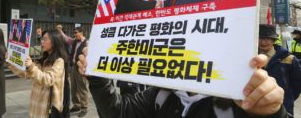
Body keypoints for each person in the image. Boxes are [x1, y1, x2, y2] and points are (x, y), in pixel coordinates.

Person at [76, 48, 288, 118]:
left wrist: (271, 113)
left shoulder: (237, 102)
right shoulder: (162, 93)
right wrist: (98, 78)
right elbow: (118, 112)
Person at [8, 29, 68, 118]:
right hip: (35, 108)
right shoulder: (42, 60)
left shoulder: (59, 61)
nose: (42, 42)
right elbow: (26, 74)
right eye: (42, 39)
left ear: (54, 41)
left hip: (47, 110)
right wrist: (10, 62)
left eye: (45, 39)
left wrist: (31, 66)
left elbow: (47, 80)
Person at [258, 24, 301, 117]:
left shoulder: (289, 59)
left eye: (267, 39)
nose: (263, 42)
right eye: (260, 38)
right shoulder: (251, 58)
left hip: (283, 107)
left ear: (273, 40)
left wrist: (287, 98)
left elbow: (297, 84)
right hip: (257, 107)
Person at [57, 25, 88, 117]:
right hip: (73, 67)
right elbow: (66, 38)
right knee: (73, 88)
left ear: (81, 32)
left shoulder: (87, 43)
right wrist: (60, 31)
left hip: (81, 68)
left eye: (76, 32)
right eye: (74, 33)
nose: (74, 34)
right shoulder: (74, 41)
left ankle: (84, 107)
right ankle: (76, 105)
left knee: (82, 88)